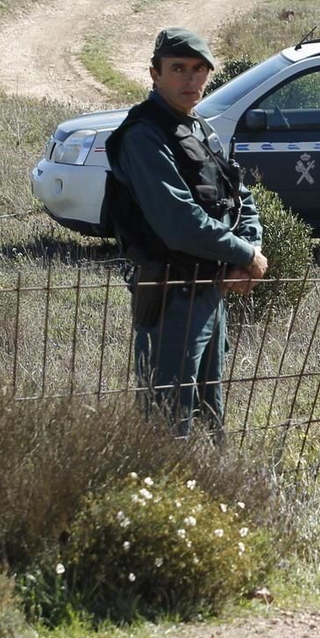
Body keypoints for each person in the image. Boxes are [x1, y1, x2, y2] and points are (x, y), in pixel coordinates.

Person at [103, 27, 266, 438]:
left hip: (213, 287)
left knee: (211, 413)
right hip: (171, 292)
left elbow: (240, 197)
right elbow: (180, 223)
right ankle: (161, 495)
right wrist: (245, 257)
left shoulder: (199, 128)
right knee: (168, 416)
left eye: (199, 69)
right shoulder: (143, 135)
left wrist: (248, 251)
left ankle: (211, 492)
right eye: (178, 69)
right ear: (155, 74)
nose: (190, 79)